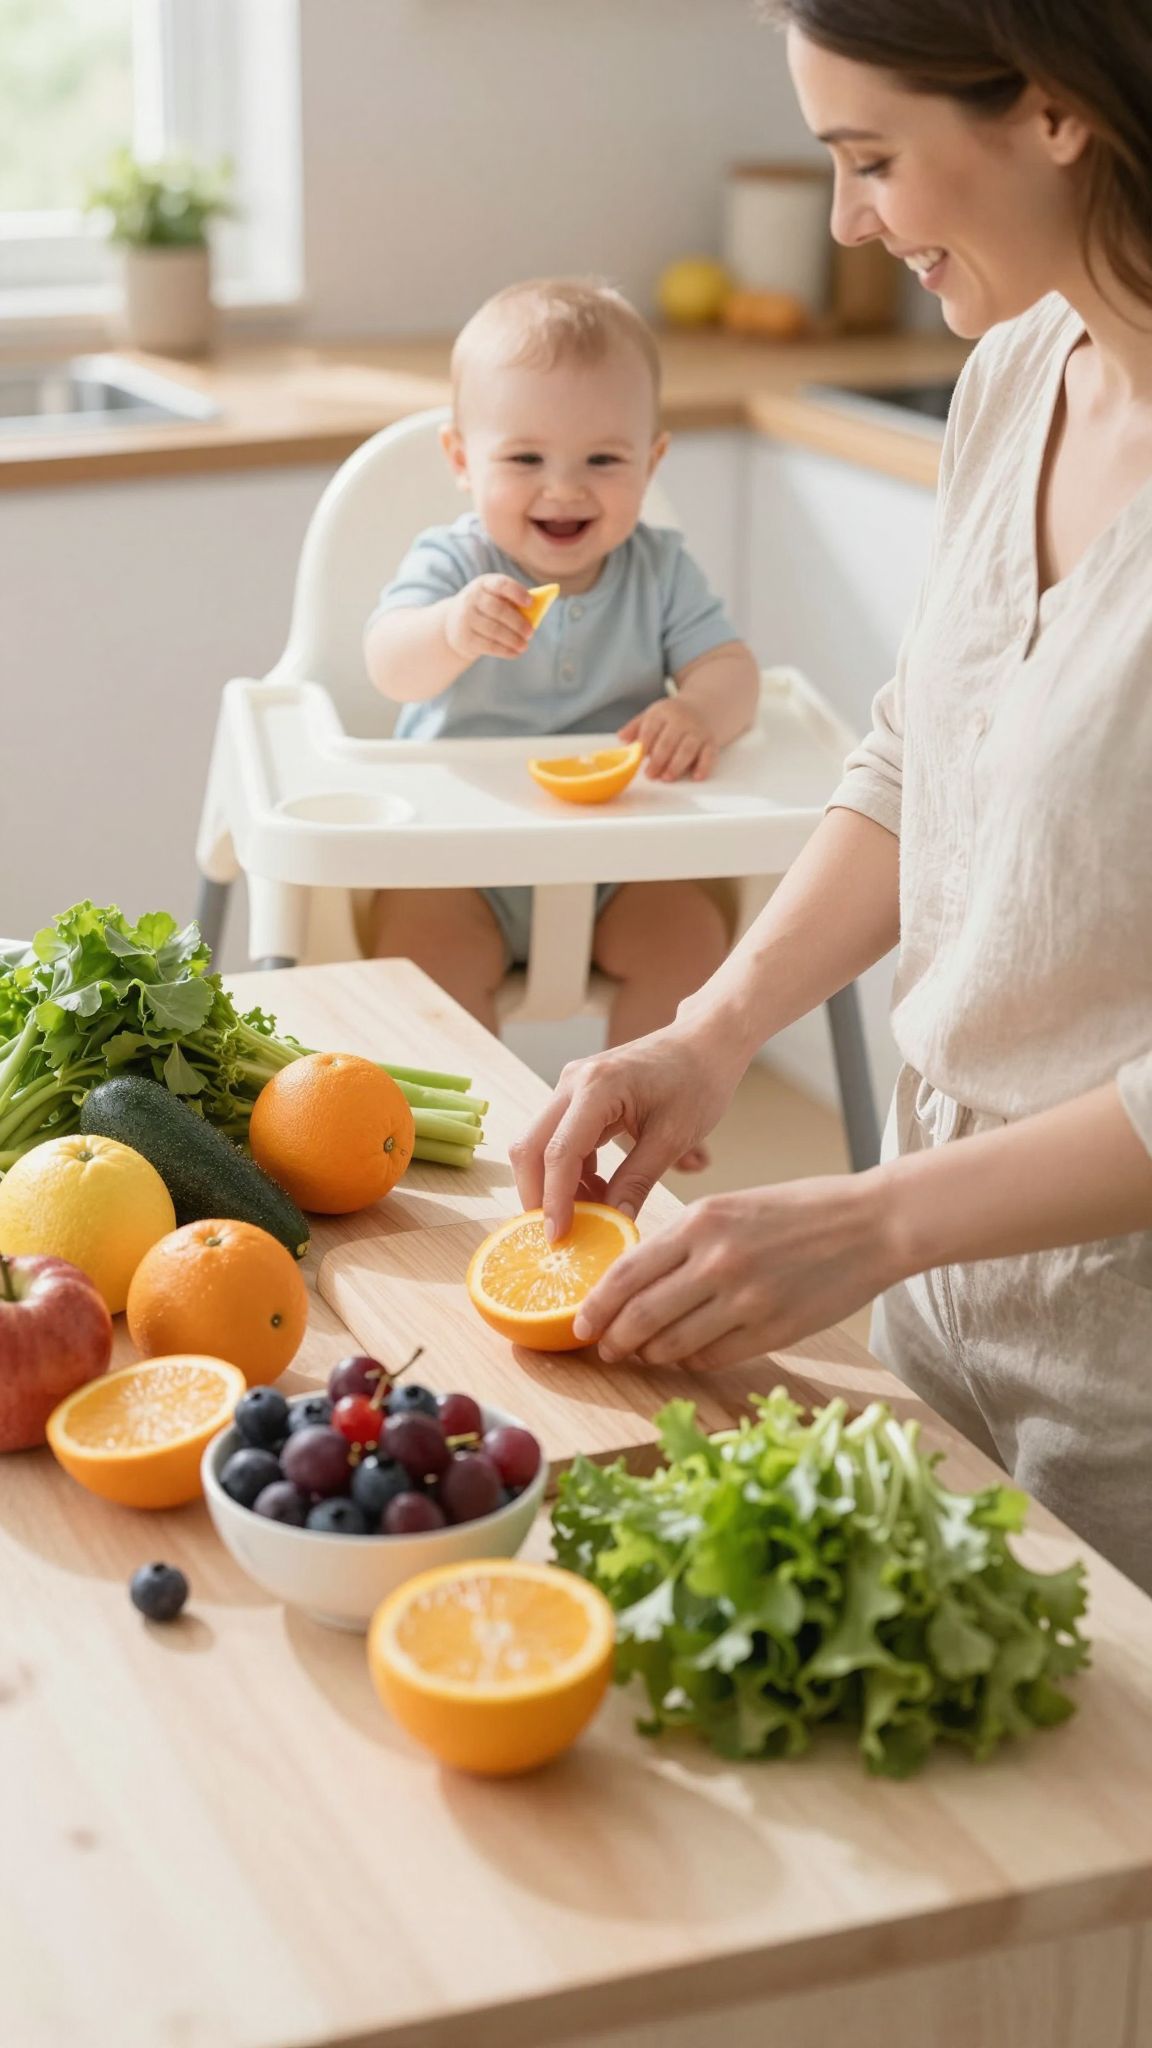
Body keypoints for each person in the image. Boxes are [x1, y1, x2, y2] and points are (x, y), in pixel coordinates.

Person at [510, 0, 1152, 1589]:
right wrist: (709, 1032)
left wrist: (873, 1221)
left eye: (871, 159)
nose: (849, 221)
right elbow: (920, 754)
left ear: (1058, 109)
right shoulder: (1018, 374)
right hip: (956, 1336)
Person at [363, 279, 760, 1163]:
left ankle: (636, 1114)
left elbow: (735, 673)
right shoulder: (456, 561)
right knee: (421, 961)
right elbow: (387, 657)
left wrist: (697, 708)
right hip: (460, 863)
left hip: (614, 857)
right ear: (462, 459)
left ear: (652, 463)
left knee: (692, 935)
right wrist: (449, 629)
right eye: (526, 459)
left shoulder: (659, 570)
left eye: (604, 462)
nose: (565, 489)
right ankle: (481, 1134)